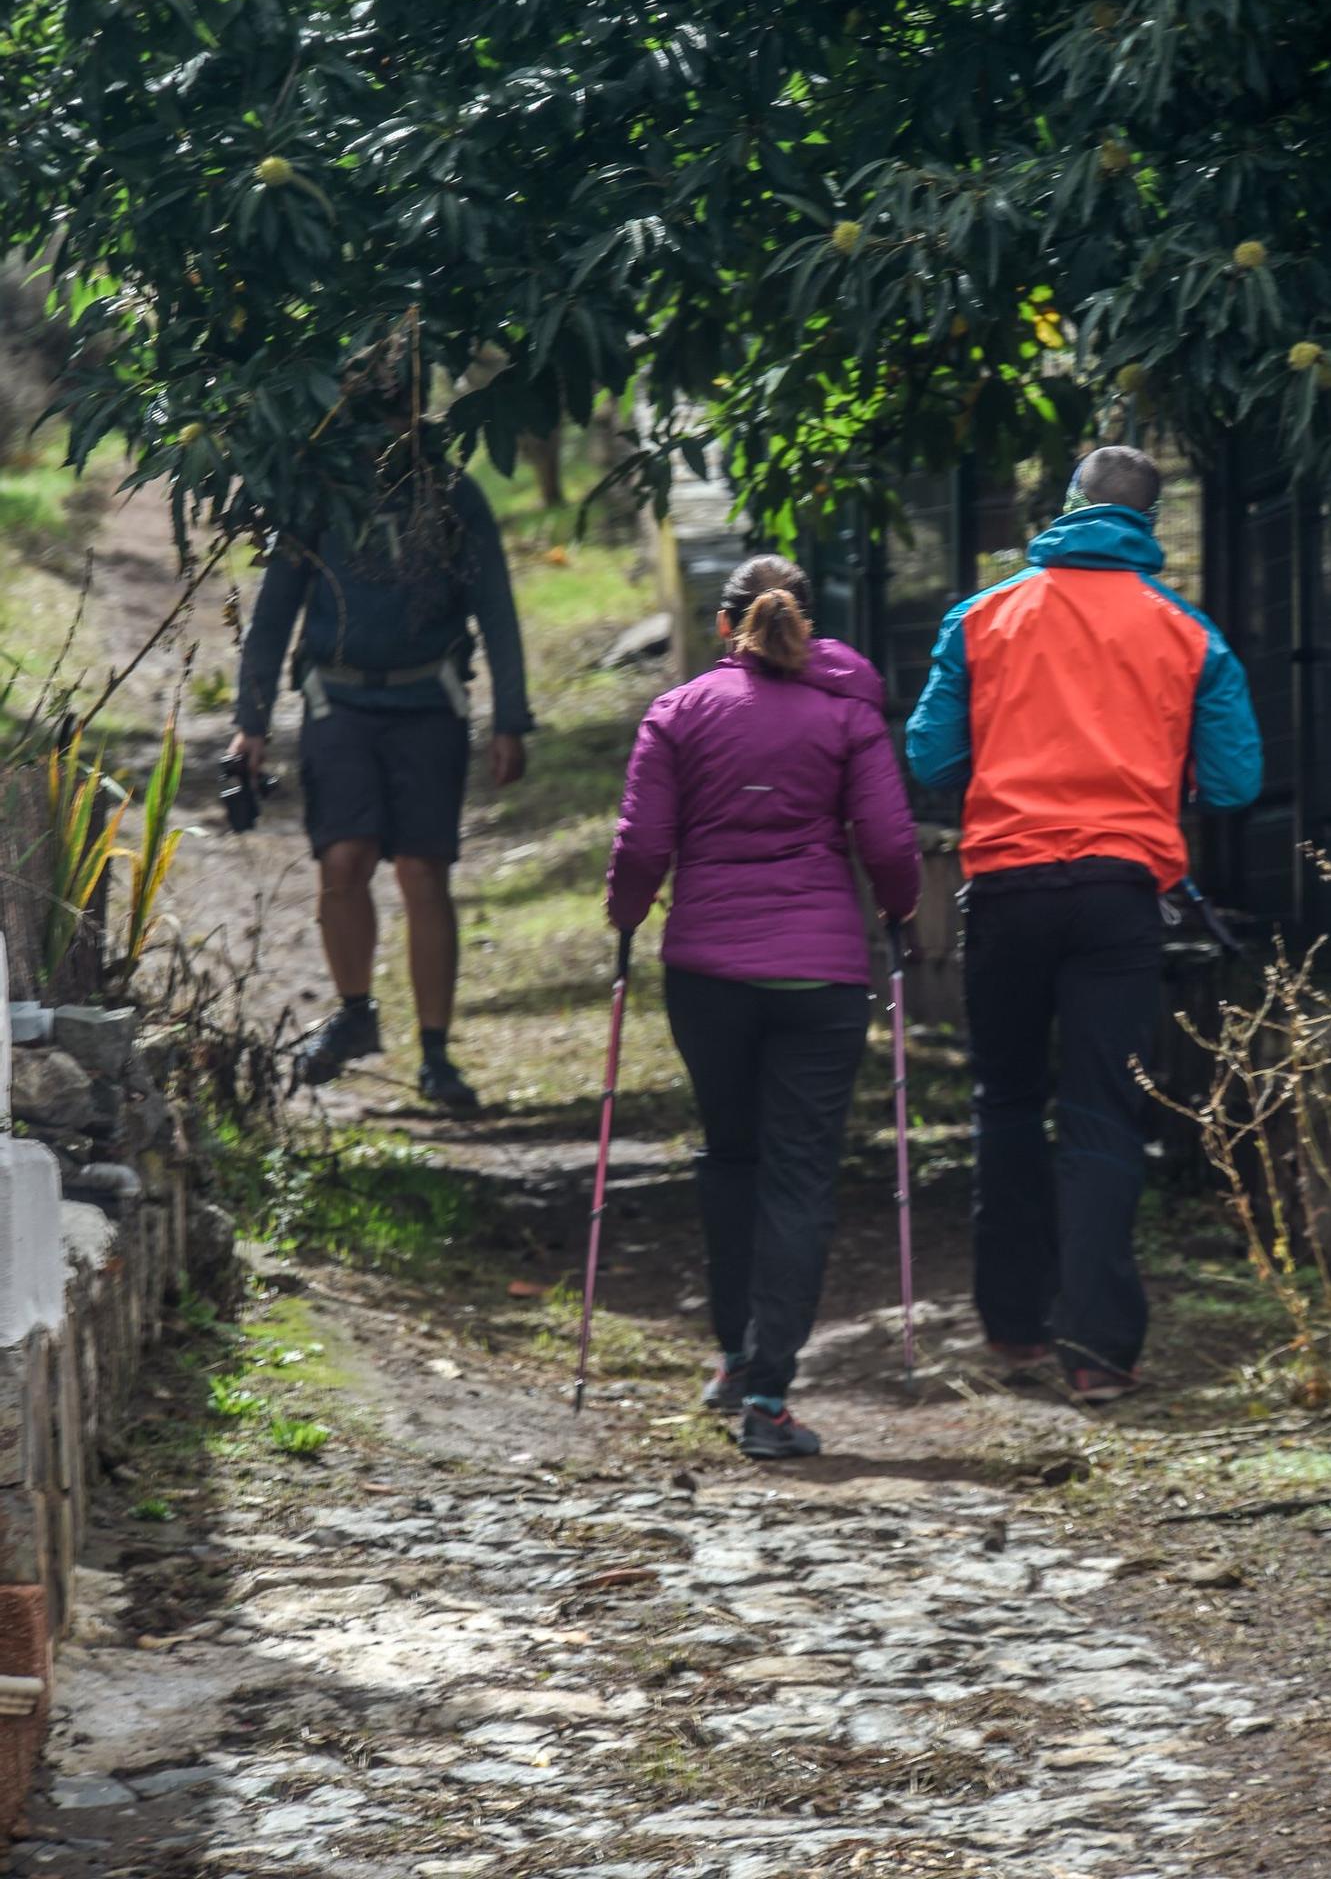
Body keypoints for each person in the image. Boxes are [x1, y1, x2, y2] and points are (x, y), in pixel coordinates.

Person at [907, 445, 1262, 1402]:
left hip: (1008, 890)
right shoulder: (1185, 632)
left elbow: (931, 755)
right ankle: (1099, 1351)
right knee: (1104, 1110)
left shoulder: (983, 616)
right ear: (1149, 522)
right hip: (1118, 896)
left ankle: (1014, 1326)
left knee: (1006, 1102)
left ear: (1066, 506)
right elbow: (1235, 781)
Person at [607, 554, 920, 1460]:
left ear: (720, 627)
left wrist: (627, 921)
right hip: (820, 980)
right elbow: (891, 841)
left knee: (728, 1155)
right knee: (798, 1175)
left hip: (706, 973)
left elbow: (642, 843)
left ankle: (732, 1357)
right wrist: (899, 914)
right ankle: (770, 1394)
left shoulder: (677, 713)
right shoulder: (849, 711)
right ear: (806, 626)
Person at [230, 360, 532, 1109]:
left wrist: (511, 718)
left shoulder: (453, 497)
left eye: (396, 413)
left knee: (424, 873)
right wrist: (251, 724)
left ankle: (436, 1054)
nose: (384, 430)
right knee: (343, 860)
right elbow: (273, 617)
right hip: (339, 705)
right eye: (369, 414)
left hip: (429, 704)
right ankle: (356, 1012)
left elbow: (495, 608)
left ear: (416, 414)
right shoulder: (319, 500)